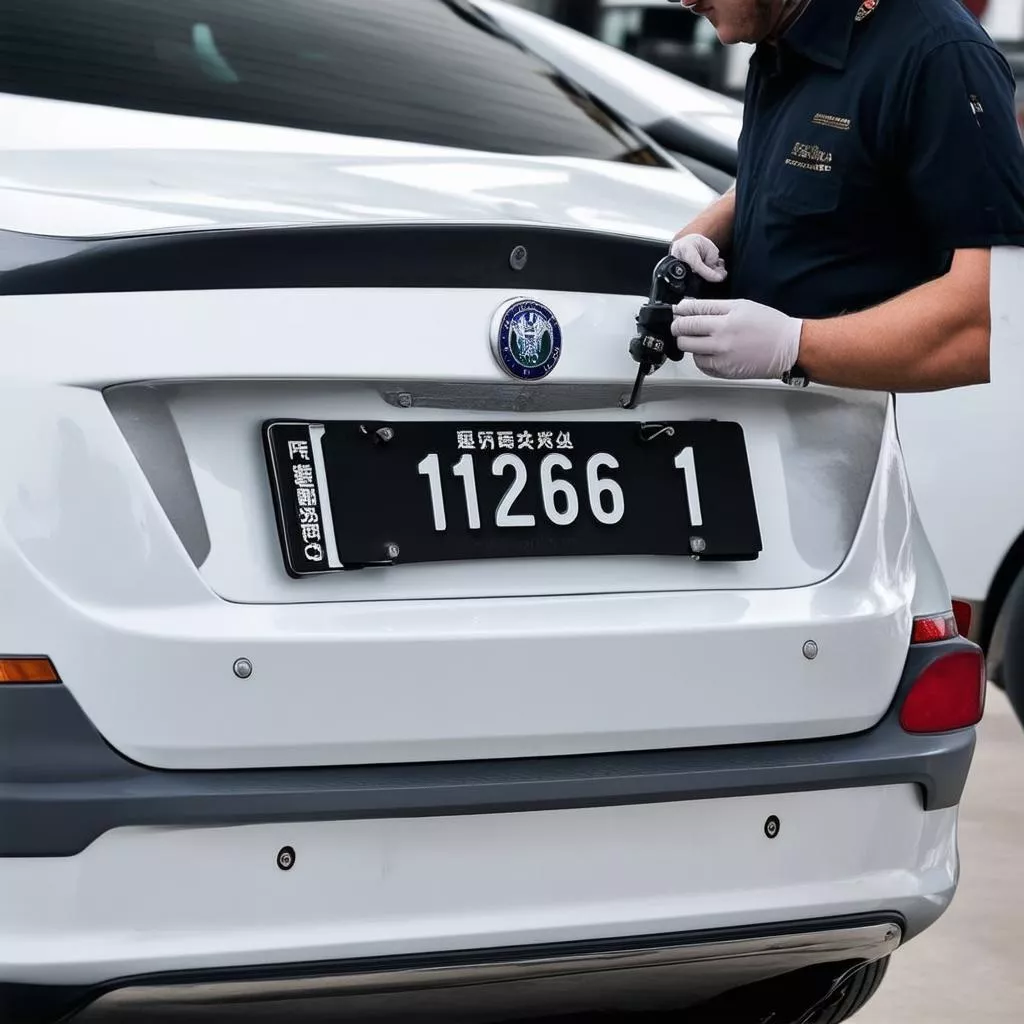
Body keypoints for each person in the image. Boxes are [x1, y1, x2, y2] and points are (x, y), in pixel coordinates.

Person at [668, 0, 1024, 391]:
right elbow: (828, 168)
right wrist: (710, 227)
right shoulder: (780, 32)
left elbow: (988, 322)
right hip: (781, 414)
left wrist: (795, 345)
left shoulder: (940, 55)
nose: (686, 1)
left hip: (880, 420)